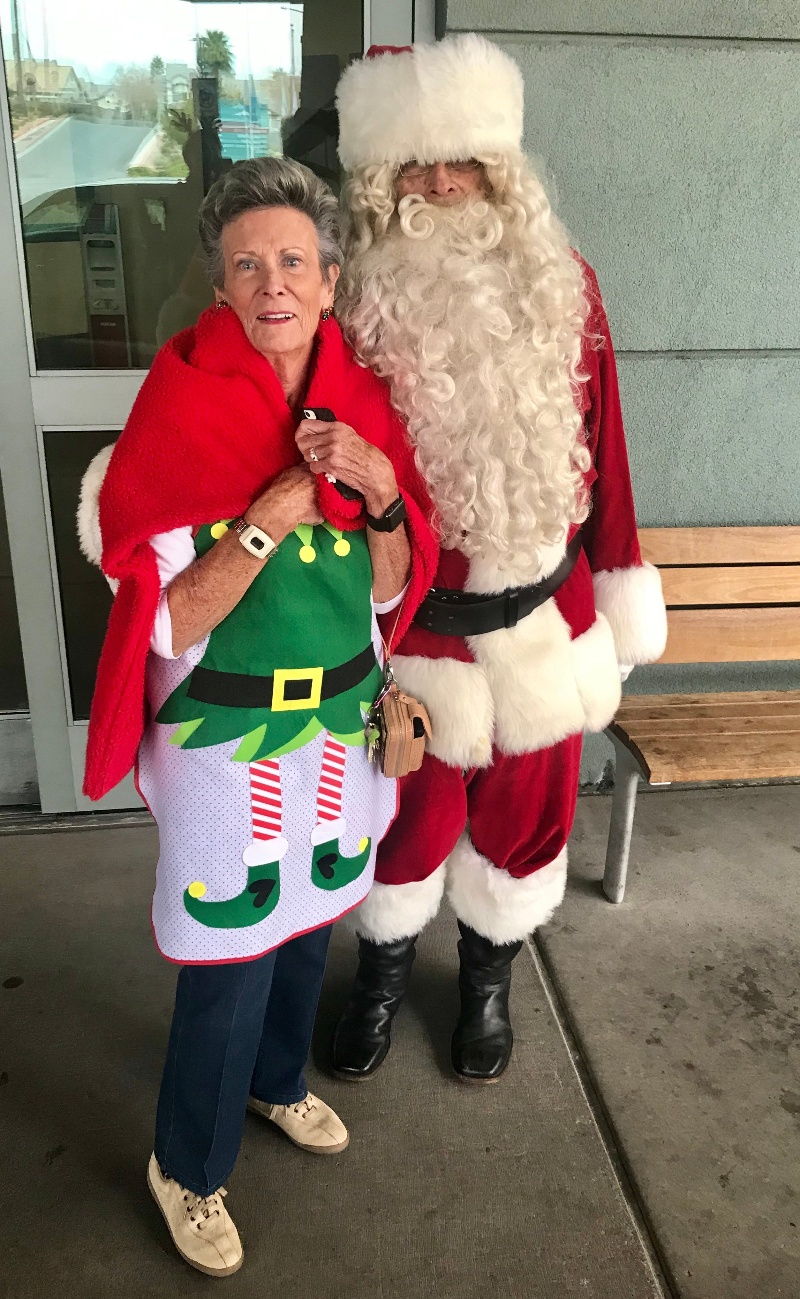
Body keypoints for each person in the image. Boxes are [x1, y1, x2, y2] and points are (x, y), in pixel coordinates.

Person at [77, 156, 437, 1277]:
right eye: (247, 264)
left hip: (334, 724)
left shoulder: (360, 402)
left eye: (292, 261)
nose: (271, 283)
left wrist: (379, 494)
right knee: (228, 949)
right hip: (224, 742)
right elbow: (172, 622)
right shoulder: (180, 406)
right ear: (221, 286)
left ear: (328, 280)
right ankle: (186, 1163)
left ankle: (278, 1084)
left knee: (308, 920)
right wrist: (271, 514)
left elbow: (385, 591)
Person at [329, 37, 668, 1086]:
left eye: (461, 163)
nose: (437, 187)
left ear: (499, 173)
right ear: (381, 182)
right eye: (414, 167)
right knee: (401, 823)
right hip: (416, 630)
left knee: (526, 826)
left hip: (544, 621)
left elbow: (603, 445)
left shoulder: (562, 285)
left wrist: (618, 582)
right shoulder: (349, 303)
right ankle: (381, 973)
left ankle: (485, 978)